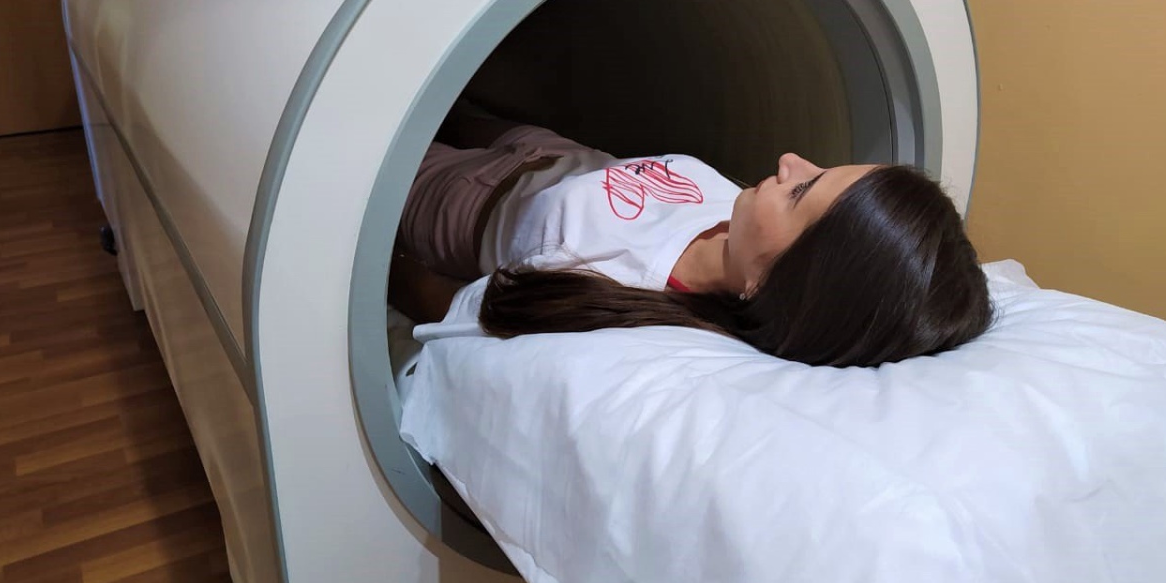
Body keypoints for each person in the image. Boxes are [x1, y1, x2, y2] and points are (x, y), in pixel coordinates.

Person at [389, 103, 993, 368]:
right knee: (450, 102)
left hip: (468, 204)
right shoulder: (744, 225)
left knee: (385, 135)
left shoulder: (617, 283)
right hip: (554, 152)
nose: (790, 162)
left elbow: (455, 306)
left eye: (802, 191)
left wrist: (381, 266)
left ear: (767, 282)